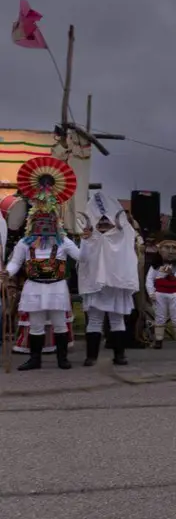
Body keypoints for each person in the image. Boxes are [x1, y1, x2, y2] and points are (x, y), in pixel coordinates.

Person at [1, 158, 81, 371]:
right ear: (32, 221)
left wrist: (91, 240)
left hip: (56, 287)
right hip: (33, 286)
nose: (44, 222)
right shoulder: (24, 243)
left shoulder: (64, 241)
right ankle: (34, 359)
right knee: (35, 325)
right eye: (39, 218)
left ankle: (62, 359)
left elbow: (82, 257)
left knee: (59, 323)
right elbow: (15, 264)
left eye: (48, 218)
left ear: (56, 221)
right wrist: (5, 273)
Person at [77, 191, 140, 366]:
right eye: (101, 222)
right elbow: (82, 257)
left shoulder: (124, 234)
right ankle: (91, 356)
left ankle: (119, 355)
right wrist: (88, 240)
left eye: (107, 221)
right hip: (95, 284)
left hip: (116, 283)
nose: (104, 225)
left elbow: (126, 244)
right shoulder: (89, 236)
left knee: (117, 319)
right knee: (95, 319)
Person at [145, 235, 176, 350]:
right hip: (160, 294)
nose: (170, 251)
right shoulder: (156, 266)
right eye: (167, 248)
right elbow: (149, 279)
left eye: (173, 248)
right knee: (160, 317)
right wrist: (151, 292)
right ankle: (159, 340)